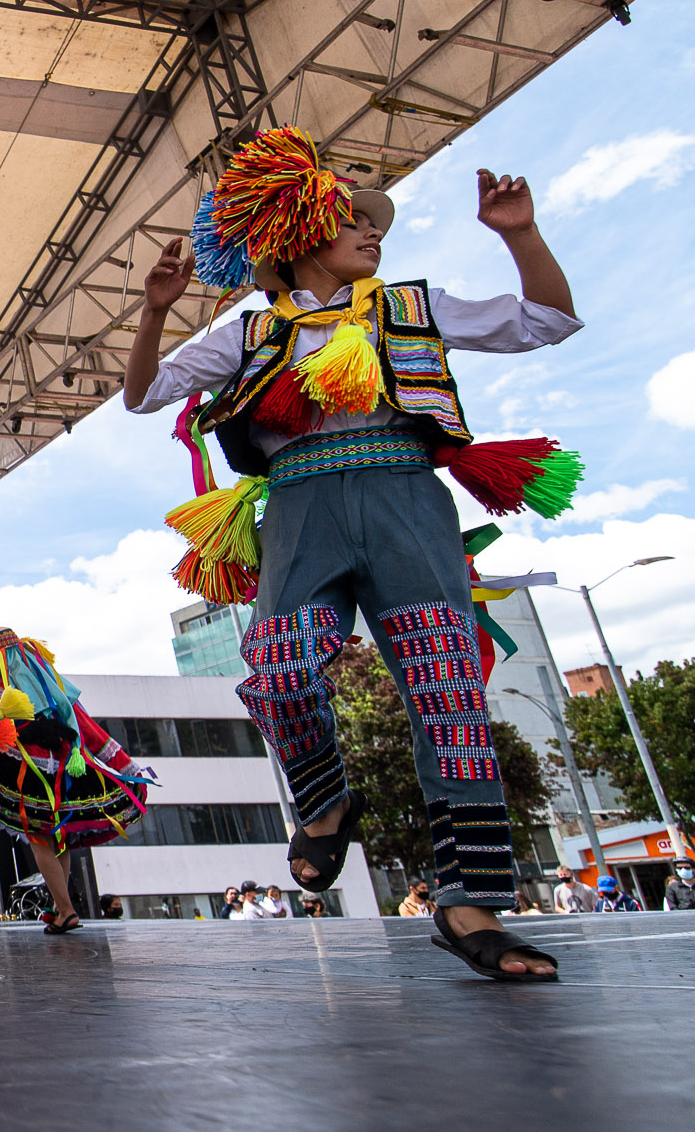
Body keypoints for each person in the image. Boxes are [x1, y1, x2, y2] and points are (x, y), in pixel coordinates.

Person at [125, 128, 576, 983]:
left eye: (373, 224)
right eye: (351, 223)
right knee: (279, 670)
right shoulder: (253, 333)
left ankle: (468, 899)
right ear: (300, 237)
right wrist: (154, 310)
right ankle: (324, 798)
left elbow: (545, 320)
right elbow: (144, 395)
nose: (374, 233)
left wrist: (519, 233)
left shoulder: (411, 305)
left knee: (448, 694)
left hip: (407, 501)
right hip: (301, 511)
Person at [0, 628, 151, 936]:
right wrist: (126, 765)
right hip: (65, 774)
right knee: (58, 839)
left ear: (7, 659)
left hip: (33, 775)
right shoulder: (54, 691)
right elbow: (91, 732)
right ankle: (59, 905)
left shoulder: (5, 692)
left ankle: (66, 910)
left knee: (41, 837)